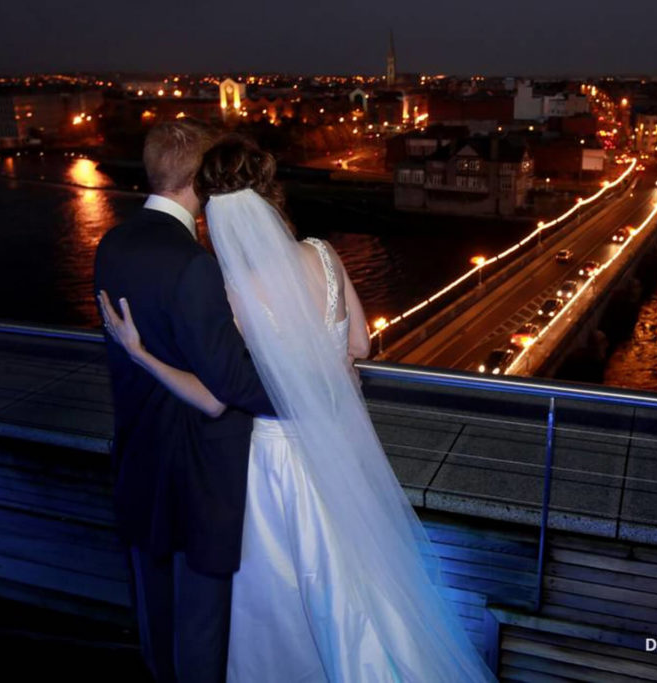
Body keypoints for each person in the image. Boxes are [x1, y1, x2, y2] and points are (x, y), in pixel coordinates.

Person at [100, 133, 496, 682]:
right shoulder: (324, 254)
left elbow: (217, 396)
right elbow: (359, 346)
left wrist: (140, 354)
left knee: (286, 585)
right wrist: (334, 377)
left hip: (274, 461)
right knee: (357, 574)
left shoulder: (232, 286)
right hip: (337, 444)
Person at [94, 121, 274, 683]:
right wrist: (313, 390)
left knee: (157, 614)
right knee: (201, 626)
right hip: (199, 469)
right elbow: (230, 383)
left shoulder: (112, 243)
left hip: (140, 456)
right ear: (200, 179)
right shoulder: (194, 264)